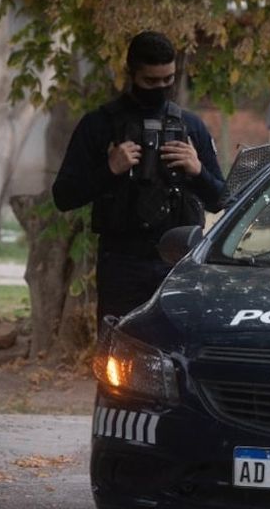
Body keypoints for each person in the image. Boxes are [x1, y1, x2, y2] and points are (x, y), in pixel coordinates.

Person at [52, 31, 225, 329]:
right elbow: (64, 196)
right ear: (131, 74)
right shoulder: (99, 125)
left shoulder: (191, 126)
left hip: (179, 263)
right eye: (150, 81)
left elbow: (221, 199)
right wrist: (109, 169)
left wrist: (197, 171)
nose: (160, 88)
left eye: (167, 80)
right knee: (116, 356)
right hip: (122, 262)